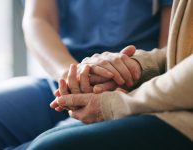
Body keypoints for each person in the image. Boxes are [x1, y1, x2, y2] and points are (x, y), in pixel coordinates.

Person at [0, 0, 172, 149]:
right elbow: (38, 19)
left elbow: (171, 49)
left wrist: (123, 83)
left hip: (129, 90)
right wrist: (72, 76)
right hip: (60, 79)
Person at [26, 0, 193, 149]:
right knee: (3, 119)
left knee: (46, 146)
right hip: (76, 77)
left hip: (148, 93)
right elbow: (180, 53)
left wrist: (113, 103)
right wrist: (138, 65)